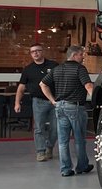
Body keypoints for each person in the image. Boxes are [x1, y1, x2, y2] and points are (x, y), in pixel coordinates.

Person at [39, 44, 94, 177]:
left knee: (63, 141)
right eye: (81, 54)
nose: (83, 57)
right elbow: (88, 85)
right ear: (74, 55)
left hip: (60, 107)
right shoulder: (80, 69)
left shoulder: (57, 69)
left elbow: (42, 84)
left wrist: (53, 101)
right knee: (79, 139)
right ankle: (82, 166)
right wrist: (97, 101)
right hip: (75, 107)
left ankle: (65, 169)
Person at [14, 44, 59, 161]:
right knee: (39, 128)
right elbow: (21, 88)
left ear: (42, 52)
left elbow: (62, 80)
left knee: (55, 127)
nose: (35, 53)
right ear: (31, 54)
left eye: (38, 51)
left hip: (55, 101)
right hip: (38, 102)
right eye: (33, 52)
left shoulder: (53, 66)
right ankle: (41, 151)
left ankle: (49, 147)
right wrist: (17, 103)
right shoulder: (28, 69)